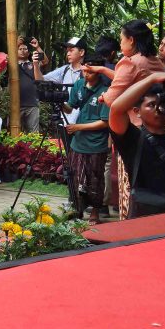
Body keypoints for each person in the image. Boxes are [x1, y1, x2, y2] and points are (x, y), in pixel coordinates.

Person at [109, 71, 165, 219]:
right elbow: (116, 109)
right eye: (151, 105)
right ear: (137, 112)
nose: (159, 109)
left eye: (162, 104)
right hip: (147, 215)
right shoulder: (133, 138)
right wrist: (151, 79)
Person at [62, 54, 110, 224]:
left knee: (95, 178)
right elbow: (69, 108)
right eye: (84, 69)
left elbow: (105, 122)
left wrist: (78, 127)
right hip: (78, 142)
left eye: (90, 71)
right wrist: (59, 101)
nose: (85, 74)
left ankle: (95, 211)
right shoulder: (79, 85)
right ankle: (77, 209)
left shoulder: (106, 91)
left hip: (96, 143)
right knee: (74, 176)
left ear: (98, 71)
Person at [91, 20, 164, 127]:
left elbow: (112, 99)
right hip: (158, 118)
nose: (120, 44)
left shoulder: (130, 62)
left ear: (131, 40)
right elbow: (129, 79)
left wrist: (104, 96)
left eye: (121, 39)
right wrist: (102, 69)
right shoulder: (155, 60)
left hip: (136, 122)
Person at [33, 37, 87, 124]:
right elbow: (40, 80)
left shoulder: (89, 71)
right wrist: (35, 65)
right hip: (65, 120)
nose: (68, 54)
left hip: (82, 122)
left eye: (71, 50)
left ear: (81, 52)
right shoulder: (64, 70)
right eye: (67, 51)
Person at [16, 41, 40, 133]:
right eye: (20, 49)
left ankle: (34, 148)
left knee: (33, 133)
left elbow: (45, 61)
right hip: (16, 104)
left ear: (28, 52)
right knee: (15, 132)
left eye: (25, 49)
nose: (22, 51)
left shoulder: (33, 64)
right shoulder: (11, 65)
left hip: (32, 103)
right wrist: (15, 43)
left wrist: (37, 47)